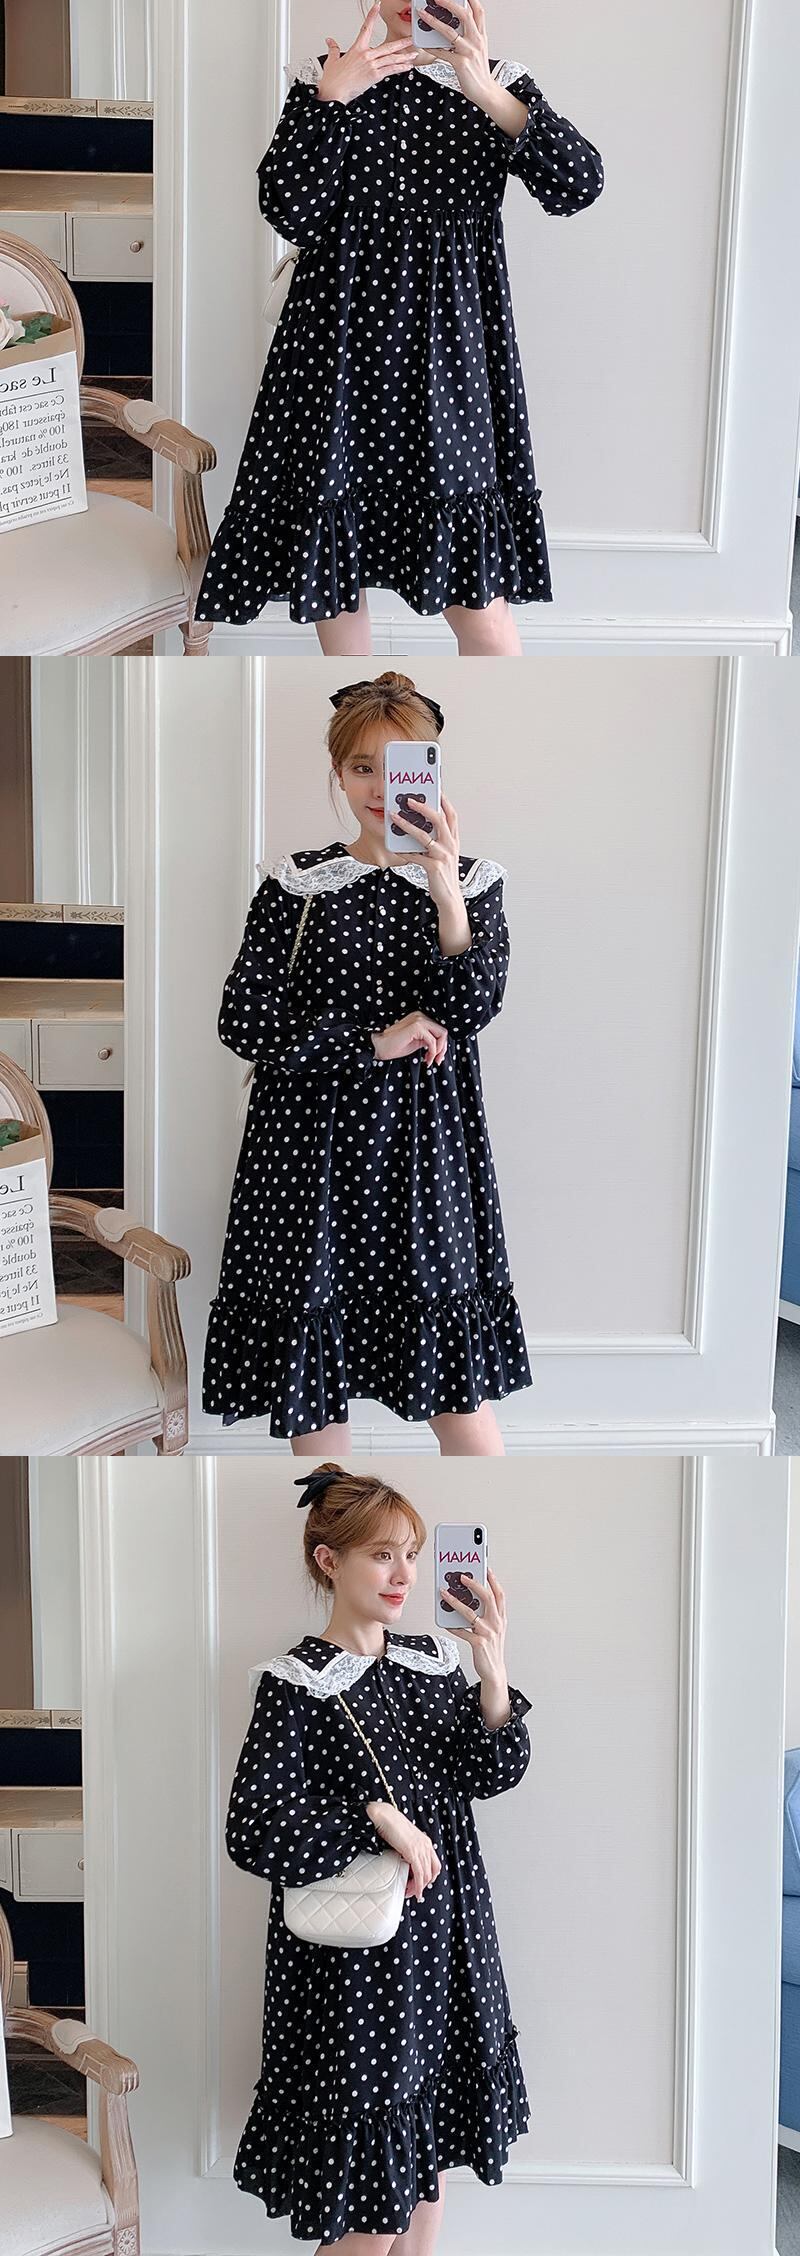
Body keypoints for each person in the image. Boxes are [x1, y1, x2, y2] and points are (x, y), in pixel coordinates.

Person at [196, 0, 604, 651]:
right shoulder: (326, 78)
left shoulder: (499, 85)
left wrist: (484, 90)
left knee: (482, 613)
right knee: (334, 582)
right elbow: (288, 211)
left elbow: (578, 185)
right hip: (336, 350)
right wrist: (330, 101)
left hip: (451, 360)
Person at [203, 670, 531, 1450]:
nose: (382, 789)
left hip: (425, 1152)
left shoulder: (475, 883)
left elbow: (472, 1008)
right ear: (338, 773)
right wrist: (370, 1042)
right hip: (306, 1150)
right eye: (361, 768)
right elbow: (243, 1017)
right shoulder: (297, 884)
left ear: (433, 772)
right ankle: (338, 1519)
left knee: (460, 1405)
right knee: (315, 1394)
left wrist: (444, 885)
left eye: (401, 767)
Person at [227, 1461, 531, 2248]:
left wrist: (492, 1671)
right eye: (381, 1555)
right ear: (329, 1561)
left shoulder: (431, 1662)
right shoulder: (296, 1684)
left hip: (449, 1943)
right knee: (368, 2210)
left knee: (428, 2177)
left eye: (412, 1554)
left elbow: (491, 1772)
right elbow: (254, 1828)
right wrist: (375, 1818)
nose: (404, 1575)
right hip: (359, 1973)